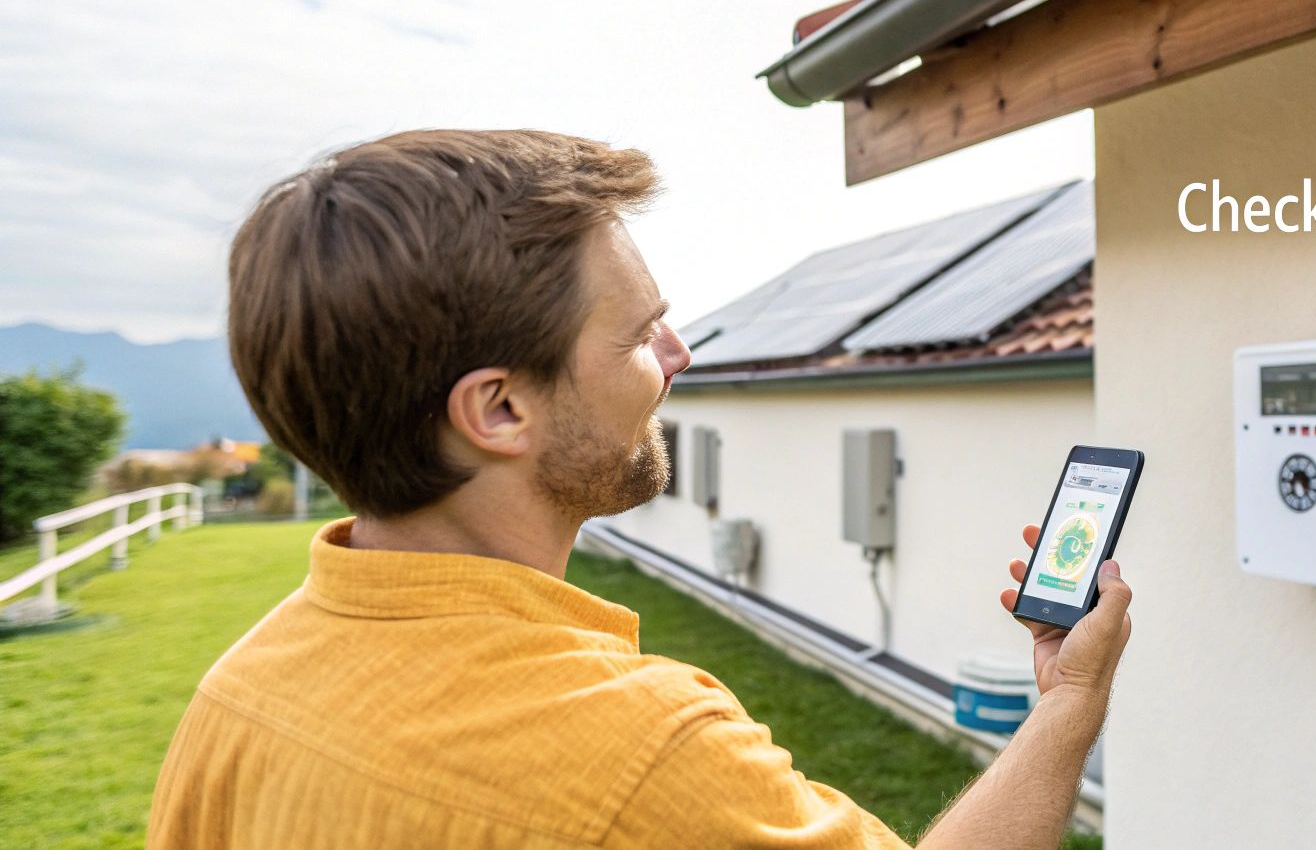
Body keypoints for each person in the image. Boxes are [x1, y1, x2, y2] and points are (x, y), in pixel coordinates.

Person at [148, 129, 1135, 849]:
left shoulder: (241, 687)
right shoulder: (639, 753)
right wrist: (1070, 702)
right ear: (496, 409)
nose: (680, 352)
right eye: (635, 335)